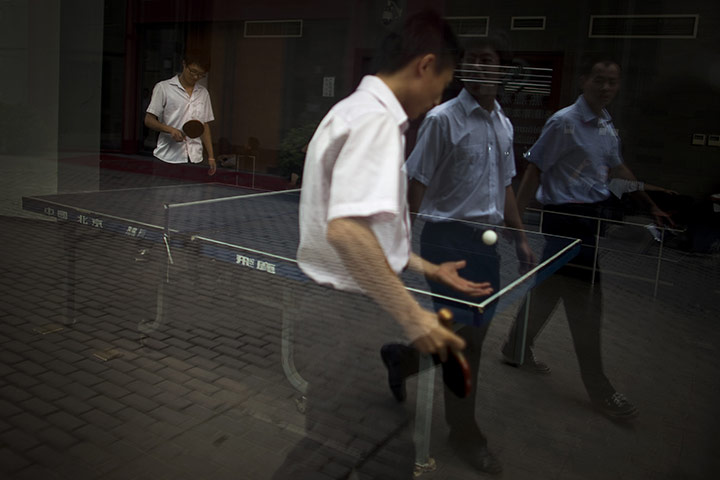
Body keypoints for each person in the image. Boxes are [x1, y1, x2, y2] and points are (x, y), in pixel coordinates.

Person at [272, 11, 493, 480]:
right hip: (349, 319)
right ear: (425, 65)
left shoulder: (353, 113)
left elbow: (361, 233)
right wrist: (415, 317)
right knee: (351, 454)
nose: (439, 98)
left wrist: (427, 268)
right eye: (444, 84)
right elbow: (346, 232)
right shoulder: (376, 123)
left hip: (336, 312)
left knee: (350, 449)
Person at [380, 36, 535, 475]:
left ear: (502, 71)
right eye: (474, 61)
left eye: (491, 61)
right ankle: (464, 433)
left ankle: (401, 357)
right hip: (447, 240)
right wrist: (403, 240)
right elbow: (417, 181)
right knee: (468, 344)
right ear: (465, 69)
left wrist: (520, 237)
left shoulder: (502, 123)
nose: (483, 68)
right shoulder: (443, 119)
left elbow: (505, 186)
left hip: (487, 245)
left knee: (468, 336)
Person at [501, 53, 671, 420]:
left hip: (591, 219)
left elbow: (617, 168)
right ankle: (601, 391)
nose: (606, 87)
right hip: (566, 220)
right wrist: (516, 224)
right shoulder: (564, 123)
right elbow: (535, 169)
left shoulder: (606, 125)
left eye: (612, 81)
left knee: (550, 291)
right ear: (583, 81)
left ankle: (515, 346)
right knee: (587, 308)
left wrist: (648, 203)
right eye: (599, 80)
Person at [144, 52, 216, 180]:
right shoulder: (164, 88)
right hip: (167, 158)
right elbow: (149, 120)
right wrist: (170, 129)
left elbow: (204, 126)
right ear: (184, 65)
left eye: (200, 74)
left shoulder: (203, 93)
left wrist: (211, 156)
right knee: (164, 199)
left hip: (195, 158)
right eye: (193, 71)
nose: (195, 77)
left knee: (192, 198)